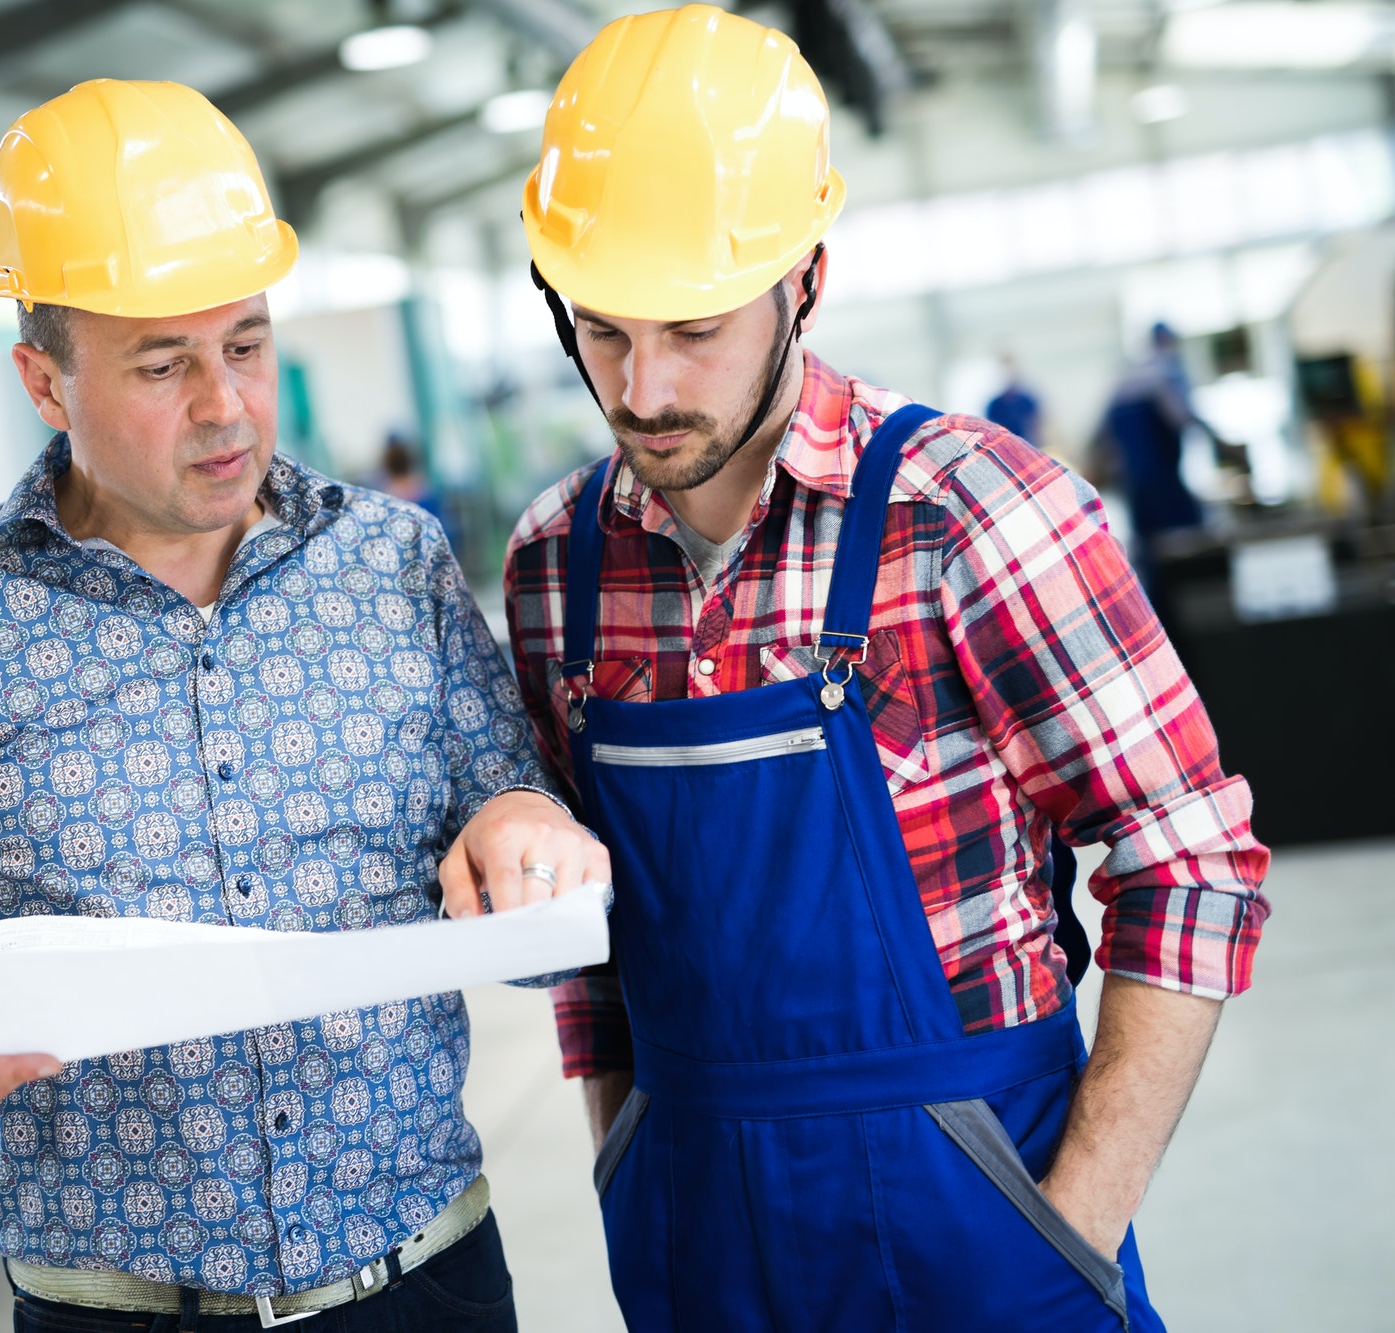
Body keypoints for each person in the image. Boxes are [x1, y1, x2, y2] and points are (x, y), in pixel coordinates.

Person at [0, 79, 605, 1333]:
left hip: (425, 1285)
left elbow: (500, 799)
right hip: (113, 1309)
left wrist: (529, 830)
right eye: (162, 364)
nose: (225, 405)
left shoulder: (391, 566)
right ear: (44, 381)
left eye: (245, 344)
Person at [502, 8, 1270, 1330]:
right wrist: (623, 1157)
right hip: (697, 1244)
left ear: (804, 278)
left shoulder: (976, 512)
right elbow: (591, 955)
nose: (642, 386)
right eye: (603, 330)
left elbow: (1186, 858)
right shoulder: (556, 565)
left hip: (982, 1221)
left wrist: (1062, 1238)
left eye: (694, 327)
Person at [1094, 322, 1217, 604]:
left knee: (1152, 562)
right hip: (1164, 486)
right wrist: (1222, 442)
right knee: (1187, 563)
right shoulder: (1166, 374)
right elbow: (1183, 418)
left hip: (1137, 490)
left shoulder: (1122, 381)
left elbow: (1102, 437)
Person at [985, 354, 1043, 449]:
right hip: (1005, 448)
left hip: (1028, 446)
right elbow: (991, 431)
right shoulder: (995, 405)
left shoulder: (1027, 401)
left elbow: (1036, 426)